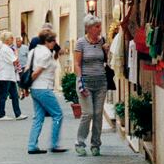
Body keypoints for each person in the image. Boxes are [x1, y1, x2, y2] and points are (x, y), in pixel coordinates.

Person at [22, 26, 66, 155]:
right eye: (53, 41)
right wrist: (29, 82)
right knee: (58, 114)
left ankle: (32, 145)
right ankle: (54, 143)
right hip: (44, 88)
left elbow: (26, 69)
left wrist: (25, 87)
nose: (54, 44)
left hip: (35, 89)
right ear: (47, 42)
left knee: (38, 117)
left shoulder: (33, 51)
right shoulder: (46, 53)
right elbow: (37, 72)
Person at [73, 16, 111, 156]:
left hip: (101, 82)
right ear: (89, 28)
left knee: (98, 114)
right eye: (97, 26)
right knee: (88, 113)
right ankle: (80, 143)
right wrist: (80, 81)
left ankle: (95, 144)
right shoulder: (80, 43)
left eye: (100, 26)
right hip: (86, 83)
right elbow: (77, 64)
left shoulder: (102, 41)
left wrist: (106, 51)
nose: (100, 29)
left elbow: (106, 61)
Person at [0, 33, 23, 119]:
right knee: (3, 96)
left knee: (14, 95)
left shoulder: (5, 49)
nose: (12, 39)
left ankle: (18, 114)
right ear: (6, 40)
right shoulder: (6, 49)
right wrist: (16, 53)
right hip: (5, 76)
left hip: (9, 76)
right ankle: (1, 114)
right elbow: (15, 61)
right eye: (11, 38)